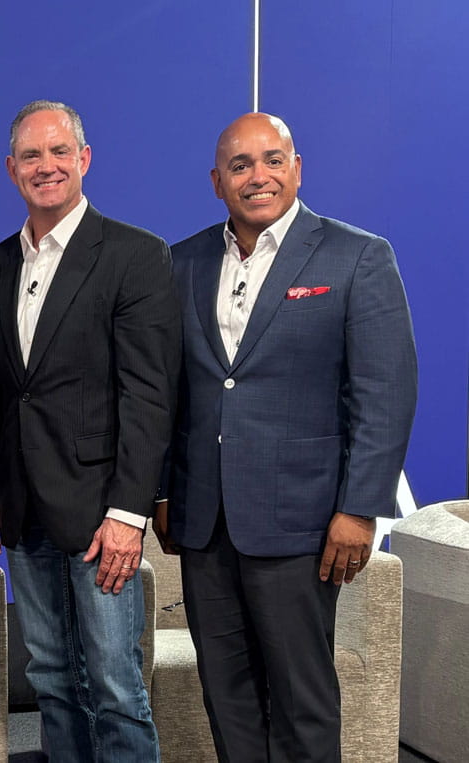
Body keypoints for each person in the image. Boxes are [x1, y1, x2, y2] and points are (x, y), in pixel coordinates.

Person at [156, 112, 416, 761]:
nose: (258, 176)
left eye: (273, 159)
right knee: (228, 697)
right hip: (204, 522)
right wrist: (162, 491)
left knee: (302, 699)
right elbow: (166, 392)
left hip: (303, 522)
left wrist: (360, 508)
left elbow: (385, 394)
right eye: (240, 165)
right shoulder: (181, 261)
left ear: (297, 168)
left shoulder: (357, 256)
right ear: (217, 181)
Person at [0, 100, 179, 762]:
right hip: (23, 510)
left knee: (115, 685)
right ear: (11, 169)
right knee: (52, 681)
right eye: (31, 155)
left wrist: (128, 515)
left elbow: (149, 396)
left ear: (84, 159)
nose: (46, 166)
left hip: (101, 515)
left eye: (60, 151)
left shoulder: (135, 255)